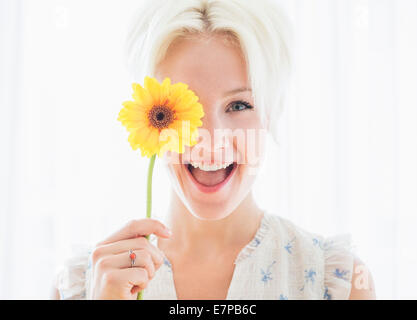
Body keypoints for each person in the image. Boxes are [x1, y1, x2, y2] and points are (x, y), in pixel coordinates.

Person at [52, 0, 375, 300]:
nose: (211, 139)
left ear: (271, 113)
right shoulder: (83, 284)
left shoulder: (336, 282)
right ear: (151, 116)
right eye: (182, 108)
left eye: (239, 104)